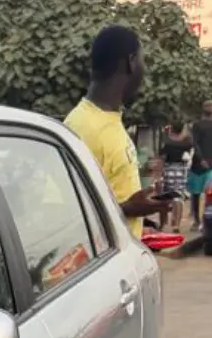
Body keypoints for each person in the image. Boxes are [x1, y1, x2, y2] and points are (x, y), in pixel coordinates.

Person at [65, 25, 172, 239]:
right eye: (143, 61)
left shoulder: (111, 120)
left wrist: (140, 219)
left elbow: (107, 198)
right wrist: (129, 210)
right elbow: (68, 216)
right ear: (131, 62)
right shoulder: (82, 128)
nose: (145, 70)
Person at [187, 102, 212, 229]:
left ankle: (208, 219)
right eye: (207, 106)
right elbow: (195, 143)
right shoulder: (197, 125)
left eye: (211, 106)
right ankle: (196, 220)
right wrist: (200, 158)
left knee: (210, 193)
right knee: (195, 194)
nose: (209, 108)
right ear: (203, 108)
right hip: (197, 166)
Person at [160, 121, 193, 230]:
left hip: (169, 170)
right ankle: (176, 225)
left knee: (165, 198)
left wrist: (166, 133)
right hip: (181, 171)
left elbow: (162, 156)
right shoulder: (186, 143)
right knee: (178, 198)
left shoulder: (168, 142)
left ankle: (163, 223)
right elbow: (190, 141)